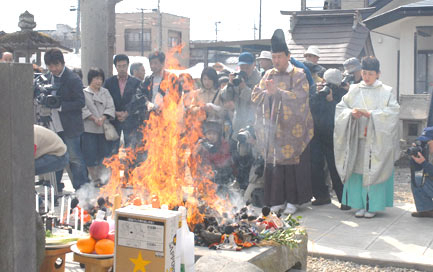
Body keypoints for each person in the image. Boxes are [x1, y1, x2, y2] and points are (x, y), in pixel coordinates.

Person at [252, 29, 314, 215]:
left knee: (293, 165)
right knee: (275, 164)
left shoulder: (299, 74)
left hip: (293, 130)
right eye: (274, 57)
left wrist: (277, 93)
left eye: (279, 56)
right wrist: (267, 94)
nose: (276, 61)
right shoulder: (268, 74)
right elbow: (256, 94)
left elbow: (301, 97)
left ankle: (294, 201)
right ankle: (276, 200)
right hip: (273, 128)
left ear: (288, 56)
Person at [334, 56, 400, 218]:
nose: (367, 77)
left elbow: (393, 112)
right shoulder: (354, 89)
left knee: (374, 170)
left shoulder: (386, 91)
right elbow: (341, 108)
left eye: (370, 73)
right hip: (357, 138)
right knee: (357, 170)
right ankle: (359, 205)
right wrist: (351, 114)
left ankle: (372, 206)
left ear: (378, 73)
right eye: (364, 73)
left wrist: (371, 115)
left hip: (376, 140)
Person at [44, 48, 89, 191]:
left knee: (75, 158)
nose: (54, 69)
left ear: (62, 63)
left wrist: (61, 106)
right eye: (50, 66)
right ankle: (55, 187)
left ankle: (82, 190)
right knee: (55, 157)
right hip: (52, 124)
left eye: (56, 65)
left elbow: (81, 102)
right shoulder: (47, 78)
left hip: (70, 126)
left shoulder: (72, 78)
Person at [309, 69, 347, 209]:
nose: (327, 85)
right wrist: (318, 94)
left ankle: (344, 199)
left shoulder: (342, 94)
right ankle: (321, 196)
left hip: (333, 135)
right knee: (315, 166)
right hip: (316, 134)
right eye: (326, 82)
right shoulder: (317, 90)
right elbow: (310, 107)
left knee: (335, 167)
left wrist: (331, 100)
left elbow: (341, 114)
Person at [82, 67, 115, 184]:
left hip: (103, 128)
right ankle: (94, 178)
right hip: (89, 128)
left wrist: (103, 117)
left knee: (104, 154)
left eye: (101, 79)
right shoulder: (84, 92)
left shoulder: (105, 92)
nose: (98, 81)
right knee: (90, 154)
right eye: (96, 78)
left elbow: (111, 107)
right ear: (90, 79)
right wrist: (93, 118)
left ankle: (103, 178)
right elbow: (82, 108)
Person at [103, 54, 141, 152]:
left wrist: (127, 113)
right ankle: (112, 167)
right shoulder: (109, 82)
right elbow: (105, 100)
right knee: (112, 150)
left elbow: (138, 101)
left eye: (124, 66)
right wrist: (115, 113)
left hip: (131, 120)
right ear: (115, 67)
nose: (122, 69)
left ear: (128, 66)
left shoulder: (136, 82)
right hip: (114, 119)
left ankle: (130, 167)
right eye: (119, 66)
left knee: (131, 149)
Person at [409, 127, 433, 218]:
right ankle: (426, 209)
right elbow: (417, 169)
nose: (424, 145)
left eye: (427, 142)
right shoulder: (427, 152)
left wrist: (424, 163)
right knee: (417, 179)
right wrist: (414, 156)